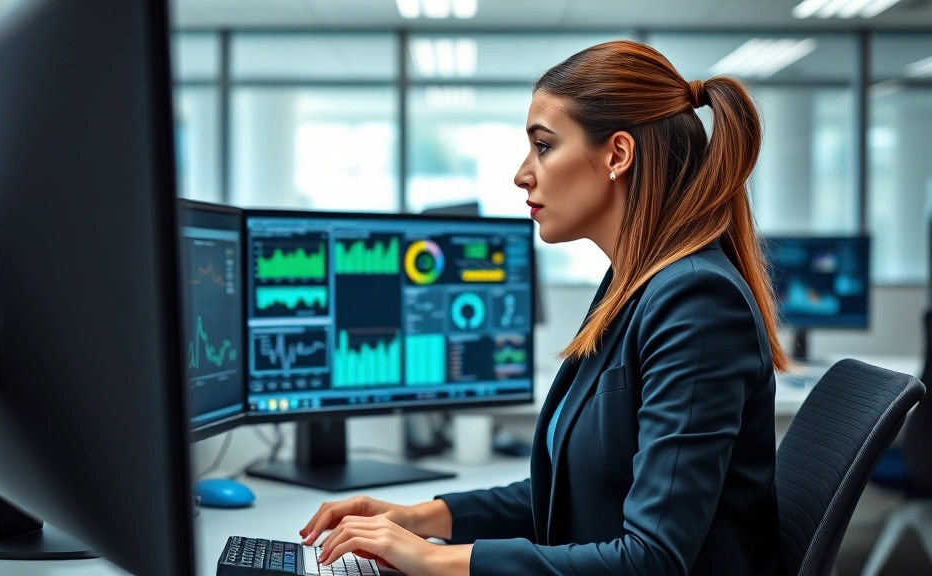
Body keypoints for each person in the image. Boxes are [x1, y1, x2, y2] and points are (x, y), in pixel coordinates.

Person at [300, 39, 789, 576]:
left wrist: (433, 563)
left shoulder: (695, 301)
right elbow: (574, 493)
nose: (522, 173)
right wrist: (417, 518)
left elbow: (651, 561)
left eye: (544, 146)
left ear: (617, 155)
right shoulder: (634, 285)